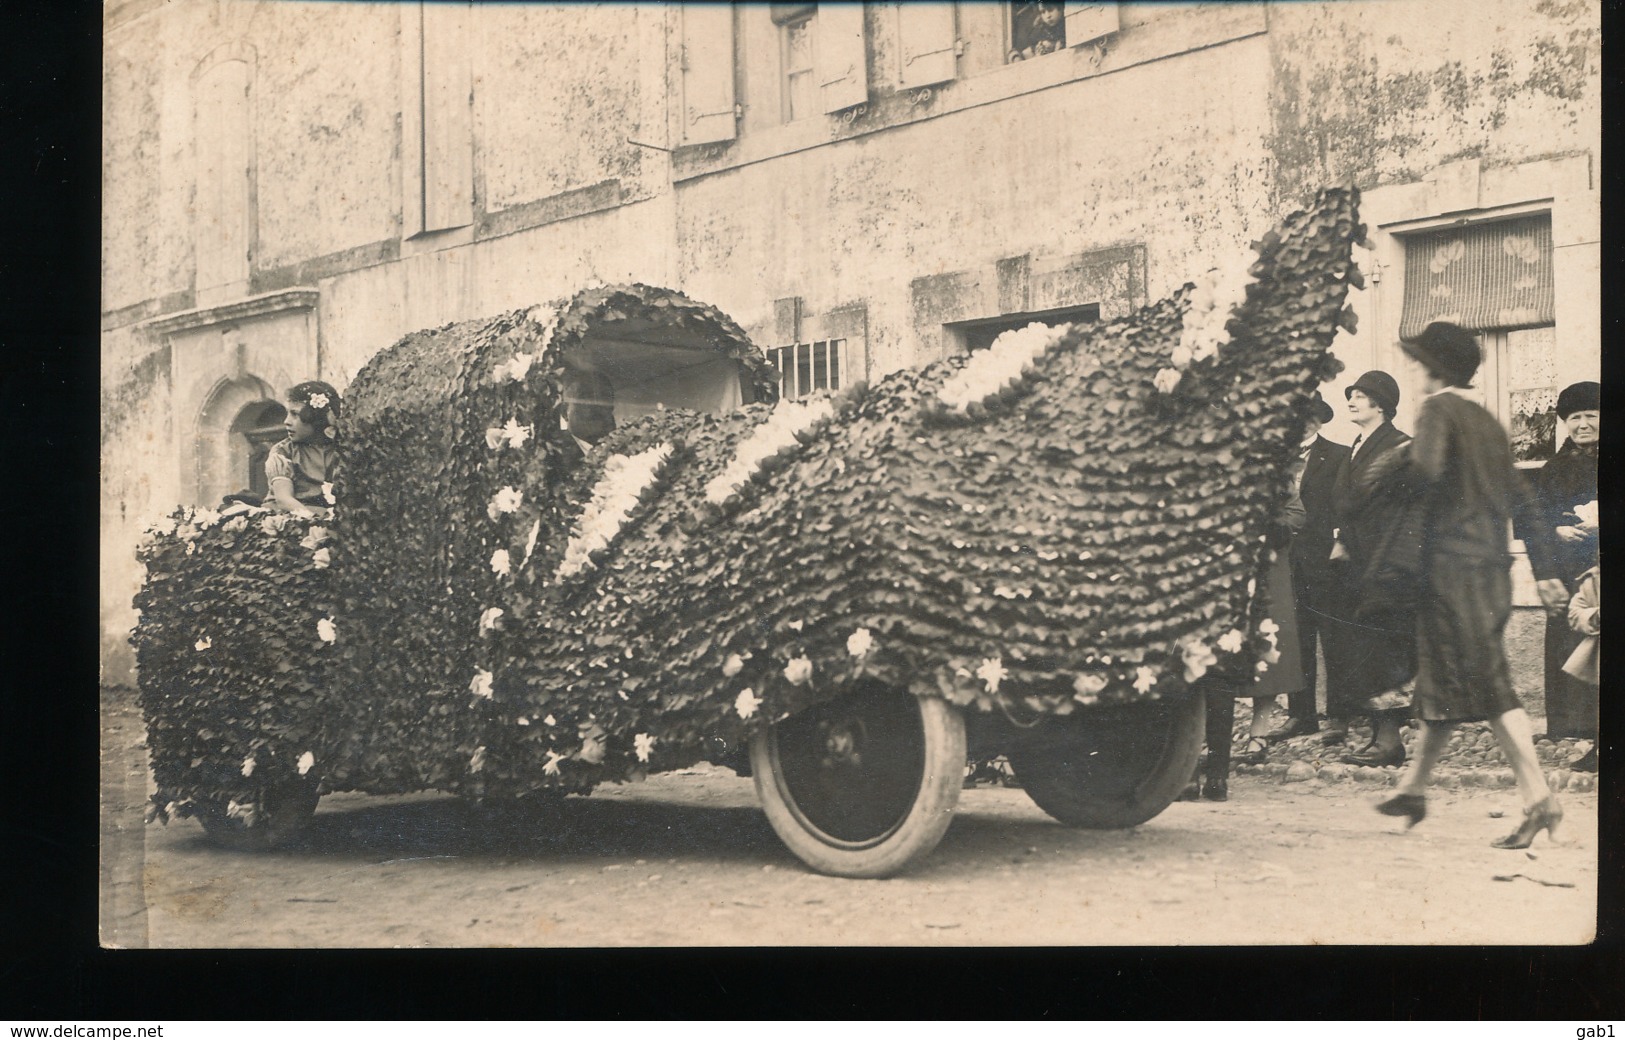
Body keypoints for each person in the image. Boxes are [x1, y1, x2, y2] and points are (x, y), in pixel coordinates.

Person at [1375, 322, 1562, 849]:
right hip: (1491, 572)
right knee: (1449, 677)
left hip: (1449, 572)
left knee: (1486, 681)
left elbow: (1426, 470)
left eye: (1417, 363)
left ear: (1436, 368)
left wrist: (1391, 472)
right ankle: (1412, 788)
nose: (1413, 373)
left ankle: (1540, 799)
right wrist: (1545, 569)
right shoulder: (1488, 422)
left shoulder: (1438, 411)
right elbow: (1525, 501)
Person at [1321, 370, 1418, 766]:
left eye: (1362, 395)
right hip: (1357, 563)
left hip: (1386, 564)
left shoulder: (1400, 447)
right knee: (1367, 649)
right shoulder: (1358, 445)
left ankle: (1391, 740)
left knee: (1387, 650)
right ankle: (1381, 735)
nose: (1352, 400)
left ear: (1382, 404)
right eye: (1352, 394)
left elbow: (1404, 512)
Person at [1515, 381, 1599, 763]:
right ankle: (1582, 731)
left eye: (1591, 415)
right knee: (1576, 648)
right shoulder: (1554, 468)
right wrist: (1557, 529)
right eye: (1574, 417)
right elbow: (1535, 520)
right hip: (1571, 573)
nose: (1583, 424)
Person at [1262, 392, 1351, 741]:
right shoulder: (1275, 460)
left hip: (1325, 562)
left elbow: (1345, 508)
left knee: (1333, 638)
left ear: (1315, 420)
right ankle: (1301, 715)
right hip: (1285, 563)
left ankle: (1339, 717)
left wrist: (1339, 546)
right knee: (1295, 640)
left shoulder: (1339, 455)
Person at [263, 380, 341, 518]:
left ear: (316, 417)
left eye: (295, 414)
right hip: (291, 521)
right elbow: (284, 500)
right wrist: (318, 521)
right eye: (288, 413)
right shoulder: (284, 452)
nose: (286, 421)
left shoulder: (342, 449)